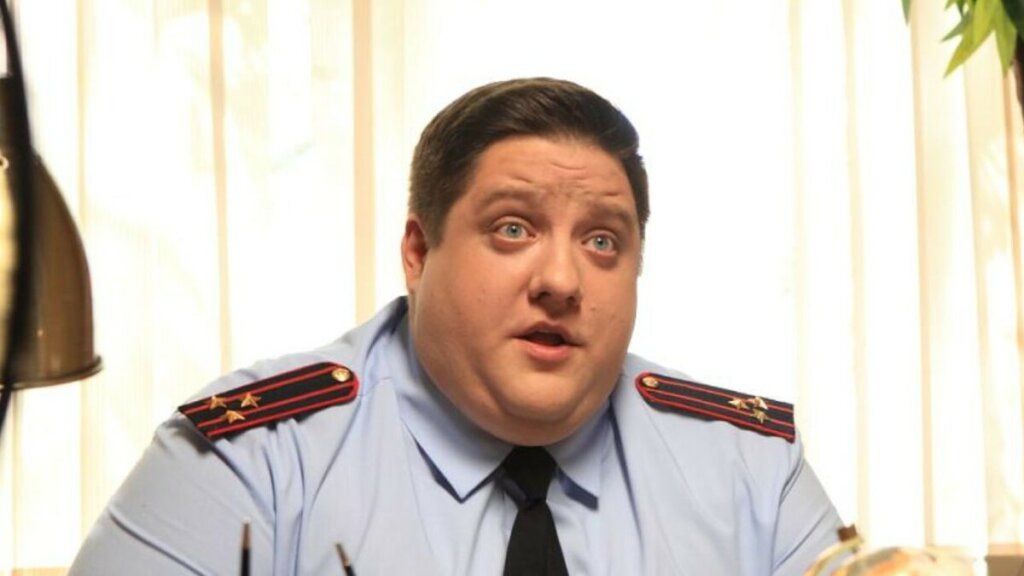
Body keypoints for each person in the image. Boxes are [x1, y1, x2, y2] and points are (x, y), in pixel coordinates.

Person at [69, 77, 842, 575]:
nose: (561, 280)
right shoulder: (253, 460)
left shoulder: (750, 470)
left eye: (603, 241)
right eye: (512, 229)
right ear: (418, 251)